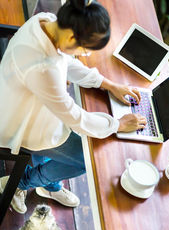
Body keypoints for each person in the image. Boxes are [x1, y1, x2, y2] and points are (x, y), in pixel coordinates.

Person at [0, 0, 146, 214]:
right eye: (85, 50)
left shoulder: (45, 22)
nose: (84, 55)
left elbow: (67, 63)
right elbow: (75, 118)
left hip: (26, 104)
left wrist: (109, 85)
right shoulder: (42, 68)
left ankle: (47, 184)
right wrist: (117, 124)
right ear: (71, 37)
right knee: (83, 157)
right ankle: (21, 183)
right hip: (18, 122)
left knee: (65, 142)